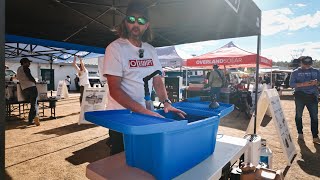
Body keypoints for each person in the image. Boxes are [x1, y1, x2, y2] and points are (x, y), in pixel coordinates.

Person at [102, 1, 186, 155]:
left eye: (141, 21)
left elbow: (157, 79)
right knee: (121, 160)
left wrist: (166, 102)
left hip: (145, 115)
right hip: (121, 118)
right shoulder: (115, 48)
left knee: (144, 157)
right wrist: (144, 112)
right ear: (125, 22)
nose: (135, 24)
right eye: (131, 19)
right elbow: (115, 90)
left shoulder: (150, 50)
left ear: (146, 25)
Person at [289, 56, 320, 144]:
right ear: (300, 63)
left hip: (313, 96)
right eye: (305, 64)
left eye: (309, 64)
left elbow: (319, 82)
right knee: (299, 115)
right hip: (300, 96)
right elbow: (291, 84)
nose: (307, 66)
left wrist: (316, 83)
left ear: (312, 63)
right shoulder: (295, 72)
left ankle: (315, 136)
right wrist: (303, 84)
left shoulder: (316, 71)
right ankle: (300, 133)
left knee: (314, 117)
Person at [16, 58, 40, 126]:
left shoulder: (18, 69)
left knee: (34, 103)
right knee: (34, 104)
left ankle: (32, 118)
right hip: (31, 87)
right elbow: (29, 76)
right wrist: (34, 81)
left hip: (24, 89)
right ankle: (33, 118)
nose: (29, 64)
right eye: (28, 62)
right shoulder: (26, 68)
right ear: (24, 63)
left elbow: (18, 78)